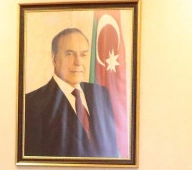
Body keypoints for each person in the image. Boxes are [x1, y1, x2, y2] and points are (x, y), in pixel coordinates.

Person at [22, 27, 120, 158]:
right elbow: (34, 164)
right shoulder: (32, 104)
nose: (78, 62)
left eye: (83, 55)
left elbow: (111, 149)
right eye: (69, 54)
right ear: (54, 58)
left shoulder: (101, 94)